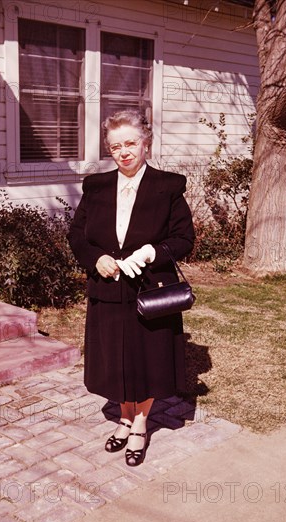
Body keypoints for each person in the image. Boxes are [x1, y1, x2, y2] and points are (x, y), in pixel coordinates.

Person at [68, 110, 194, 466]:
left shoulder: (167, 186)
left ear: (145, 143)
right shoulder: (96, 187)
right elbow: (76, 234)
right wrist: (95, 259)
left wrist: (154, 251)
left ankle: (140, 424)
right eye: (116, 146)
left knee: (147, 356)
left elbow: (184, 238)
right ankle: (124, 417)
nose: (124, 152)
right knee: (116, 357)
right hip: (106, 288)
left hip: (150, 289)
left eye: (130, 143)